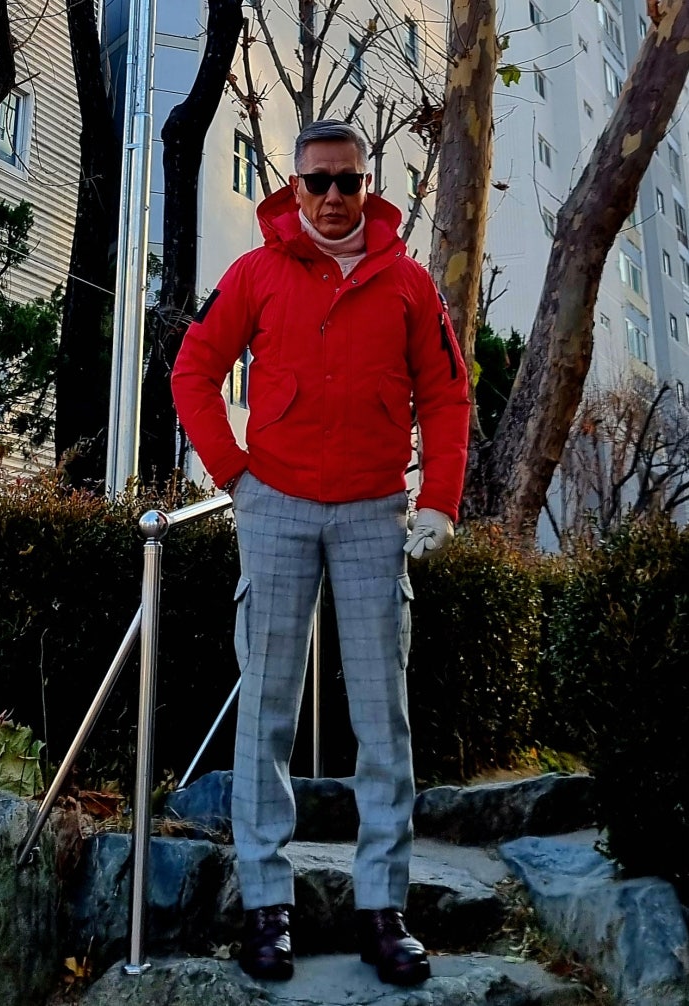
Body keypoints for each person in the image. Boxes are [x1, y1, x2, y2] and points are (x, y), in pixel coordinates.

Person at [172, 119, 470, 986]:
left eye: (348, 181)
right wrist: (233, 473)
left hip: (374, 512)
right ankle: (266, 907)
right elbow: (193, 369)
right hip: (275, 504)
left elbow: (446, 394)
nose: (333, 197)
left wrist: (439, 500)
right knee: (265, 711)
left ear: (366, 186)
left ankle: (383, 910)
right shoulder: (255, 273)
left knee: (382, 719)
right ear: (294, 185)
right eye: (318, 181)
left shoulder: (408, 282)